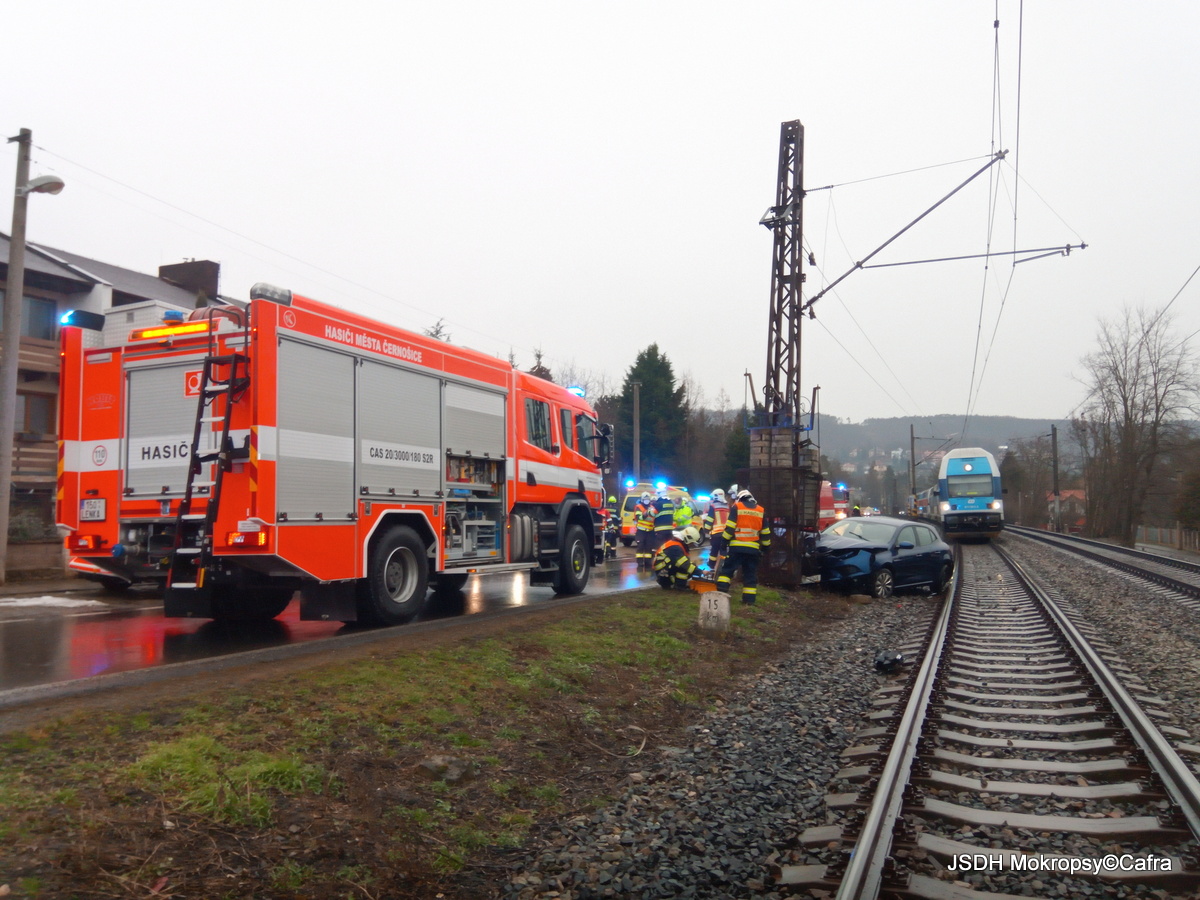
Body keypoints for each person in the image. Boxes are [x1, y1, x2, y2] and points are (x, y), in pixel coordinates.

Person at [717, 489, 771, 605]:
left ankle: (720, 594)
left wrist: (724, 543)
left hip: (736, 548)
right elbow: (765, 532)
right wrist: (765, 548)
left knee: (727, 571)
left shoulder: (737, 507)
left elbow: (730, 528)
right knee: (750, 575)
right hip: (753, 550)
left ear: (740, 499)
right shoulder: (761, 510)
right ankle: (749, 601)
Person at [702, 488, 730, 566]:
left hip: (716, 533)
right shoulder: (728, 506)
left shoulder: (713, 506)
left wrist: (706, 529)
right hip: (726, 533)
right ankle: (724, 565)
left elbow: (710, 519)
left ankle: (711, 564)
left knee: (714, 550)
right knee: (723, 550)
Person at [634, 491, 655, 570]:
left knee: (649, 546)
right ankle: (639, 562)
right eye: (645, 499)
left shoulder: (652, 507)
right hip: (641, 530)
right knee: (640, 546)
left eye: (648, 499)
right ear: (642, 500)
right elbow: (639, 517)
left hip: (650, 530)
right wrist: (646, 514)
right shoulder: (639, 507)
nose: (647, 501)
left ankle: (648, 562)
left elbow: (654, 516)